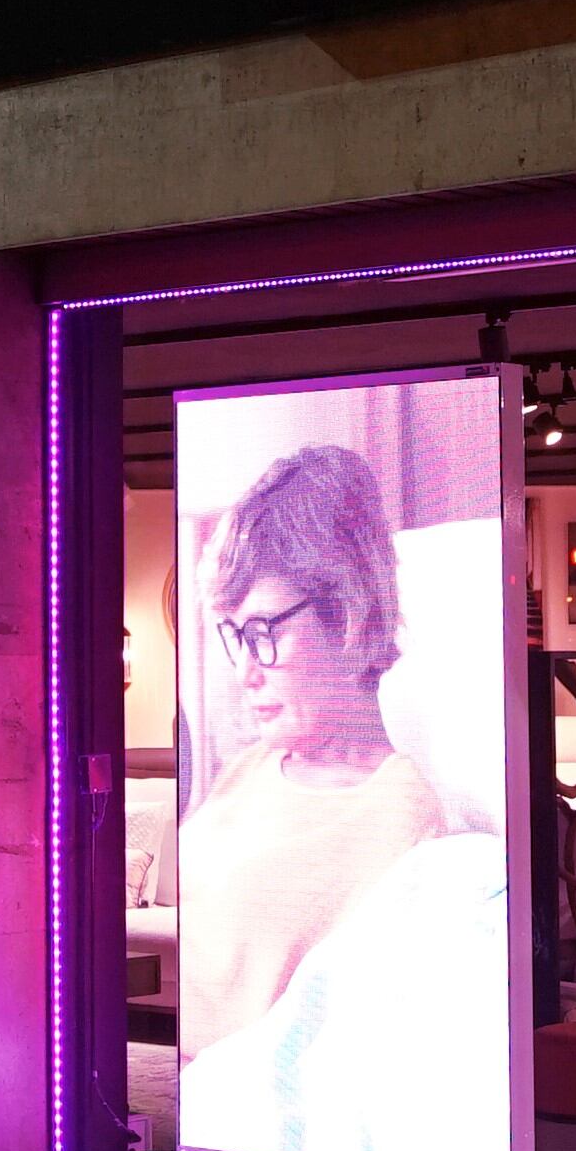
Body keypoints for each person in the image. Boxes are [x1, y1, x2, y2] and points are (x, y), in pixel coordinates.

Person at [174, 444, 441, 1064]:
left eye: (264, 632)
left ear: (346, 617)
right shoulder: (252, 768)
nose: (245, 671)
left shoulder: (400, 814)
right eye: (235, 636)